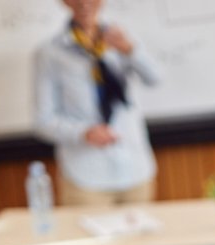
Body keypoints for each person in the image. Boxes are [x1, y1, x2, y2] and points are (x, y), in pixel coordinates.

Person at [33, 0, 160, 207]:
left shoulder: (120, 38)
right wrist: (83, 132)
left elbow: (155, 78)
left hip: (135, 168)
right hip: (86, 176)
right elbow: (43, 121)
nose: (84, 4)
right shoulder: (50, 53)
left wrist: (129, 50)